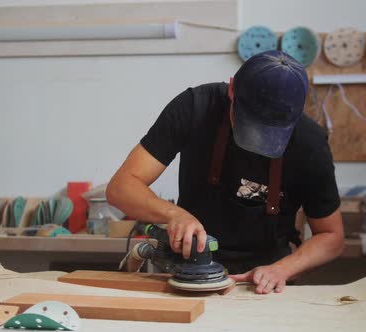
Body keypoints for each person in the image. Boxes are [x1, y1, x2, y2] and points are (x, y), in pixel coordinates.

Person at [106, 50, 344, 294]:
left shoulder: (309, 142)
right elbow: (121, 188)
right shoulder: (195, 107)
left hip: (266, 283)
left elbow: (331, 236)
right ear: (232, 90)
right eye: (250, 126)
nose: (257, 144)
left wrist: (282, 269)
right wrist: (174, 214)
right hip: (190, 274)